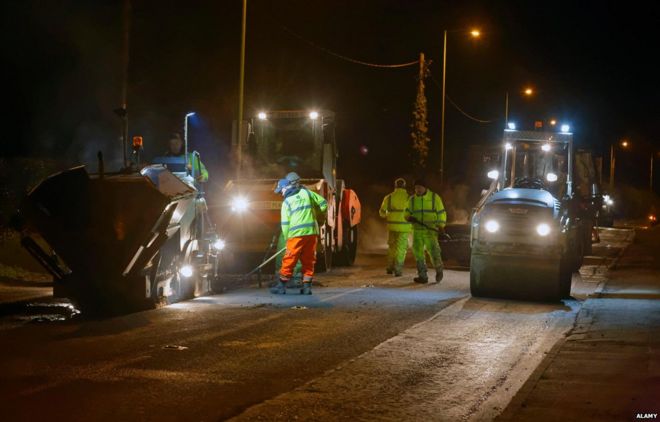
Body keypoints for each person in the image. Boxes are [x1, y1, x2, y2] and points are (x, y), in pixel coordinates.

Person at [273, 175, 328, 295]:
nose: (281, 194)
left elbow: (285, 224)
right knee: (309, 260)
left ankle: (281, 286)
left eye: (281, 191)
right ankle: (307, 287)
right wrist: (319, 219)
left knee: (289, 259)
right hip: (312, 233)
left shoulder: (287, 202)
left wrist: (287, 238)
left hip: (296, 234)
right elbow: (324, 204)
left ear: (287, 187)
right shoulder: (307, 193)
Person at [405, 179, 447, 283]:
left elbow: (441, 212)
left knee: (434, 251)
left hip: (430, 231)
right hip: (417, 231)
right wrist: (408, 217)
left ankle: (439, 270)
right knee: (418, 253)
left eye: (419, 187)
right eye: (416, 188)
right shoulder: (412, 200)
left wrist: (441, 226)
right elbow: (406, 212)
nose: (417, 190)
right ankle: (422, 276)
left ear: (425, 188)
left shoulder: (434, 198)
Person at [379, 178, 411, 276]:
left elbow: (382, 213)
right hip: (404, 228)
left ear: (395, 186)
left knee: (391, 247)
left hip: (392, 227)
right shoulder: (409, 198)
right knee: (401, 249)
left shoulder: (388, 198)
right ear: (405, 186)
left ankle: (389, 267)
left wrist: (389, 214)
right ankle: (398, 269)